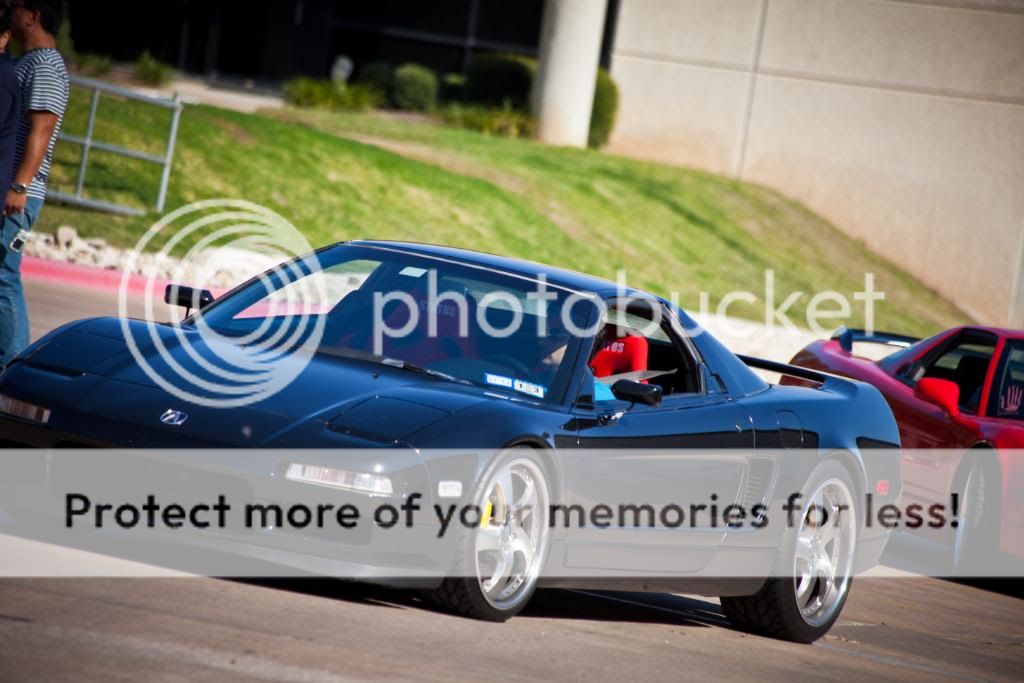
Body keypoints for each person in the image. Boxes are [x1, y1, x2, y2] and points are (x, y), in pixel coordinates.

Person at [0, 0, 68, 370]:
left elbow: (41, 129)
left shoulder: (45, 65)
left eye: (15, 7)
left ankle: (11, 368)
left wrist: (19, 186)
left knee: (3, 276)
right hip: (11, 186)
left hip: (18, 193)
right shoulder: (30, 61)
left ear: (33, 16)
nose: (9, 12)